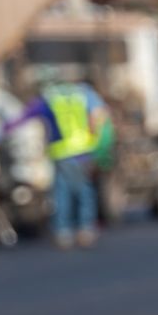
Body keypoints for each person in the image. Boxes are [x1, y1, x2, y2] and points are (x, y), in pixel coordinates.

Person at [20, 65, 107, 249]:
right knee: (83, 191)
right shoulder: (83, 93)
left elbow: (27, 116)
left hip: (60, 153)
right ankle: (85, 228)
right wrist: (96, 140)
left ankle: (63, 231)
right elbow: (100, 116)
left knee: (61, 192)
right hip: (81, 152)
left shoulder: (49, 97)